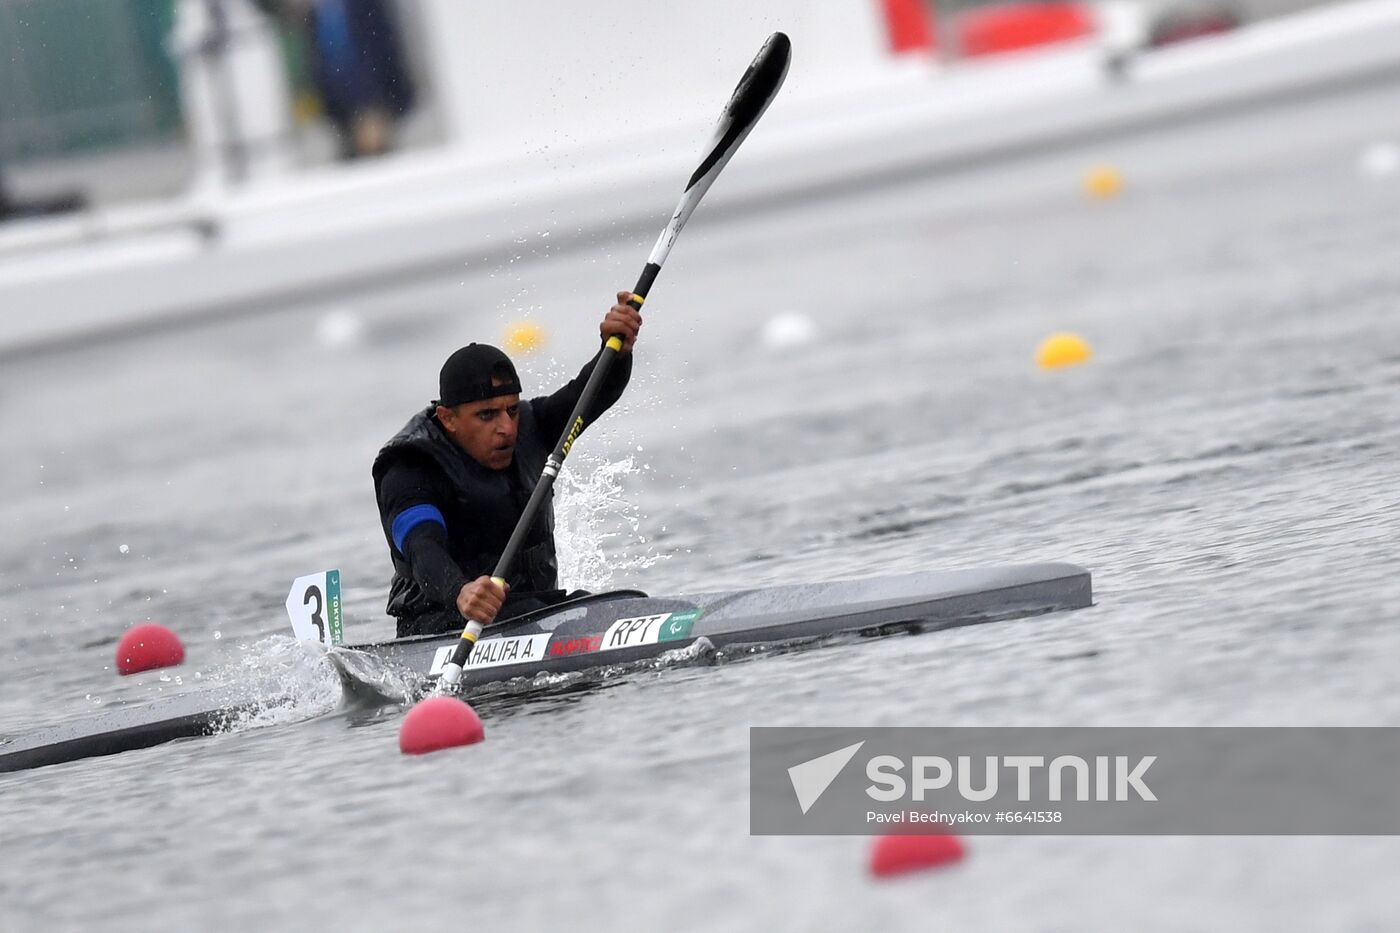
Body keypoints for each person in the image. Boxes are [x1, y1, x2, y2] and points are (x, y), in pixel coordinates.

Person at [373, 294, 643, 638]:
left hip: (536, 611)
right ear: (448, 419)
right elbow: (421, 545)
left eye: (511, 409)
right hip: (440, 626)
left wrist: (615, 351)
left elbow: (588, 395)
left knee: (615, 606)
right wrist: (460, 591)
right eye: (486, 415)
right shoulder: (410, 466)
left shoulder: (530, 427)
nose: (507, 427)